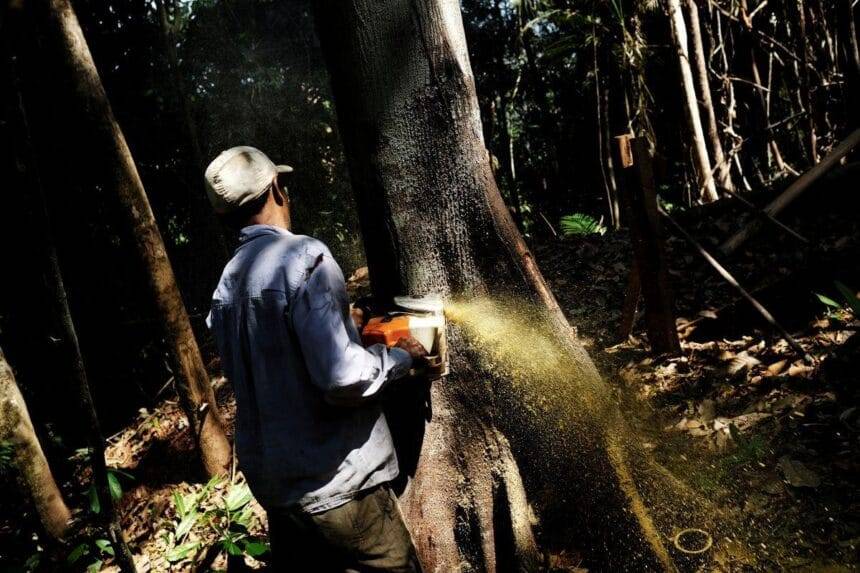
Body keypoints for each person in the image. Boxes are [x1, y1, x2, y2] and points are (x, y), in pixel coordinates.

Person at [204, 146, 426, 572]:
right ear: (276, 189)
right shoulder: (304, 257)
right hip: (339, 489)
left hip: (282, 499)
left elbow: (269, 364)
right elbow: (343, 379)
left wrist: (344, 322)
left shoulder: (225, 288)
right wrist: (398, 358)